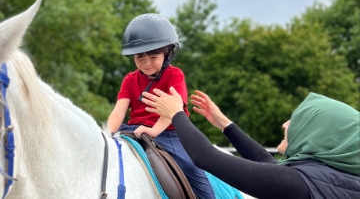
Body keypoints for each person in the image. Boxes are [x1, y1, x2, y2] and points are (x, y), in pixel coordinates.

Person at [141, 87, 360, 199]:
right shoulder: (334, 181)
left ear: (319, 134)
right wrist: (225, 124)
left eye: (296, 122)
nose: (285, 125)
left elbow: (205, 157)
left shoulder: (300, 185)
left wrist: (176, 113)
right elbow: (269, 165)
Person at [106, 13, 215, 198]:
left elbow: (173, 110)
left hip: (169, 133)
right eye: (140, 58)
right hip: (134, 129)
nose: (146, 63)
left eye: (153, 57)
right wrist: (108, 133)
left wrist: (154, 131)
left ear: (167, 54)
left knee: (192, 168)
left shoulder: (175, 76)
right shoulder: (129, 79)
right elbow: (119, 111)